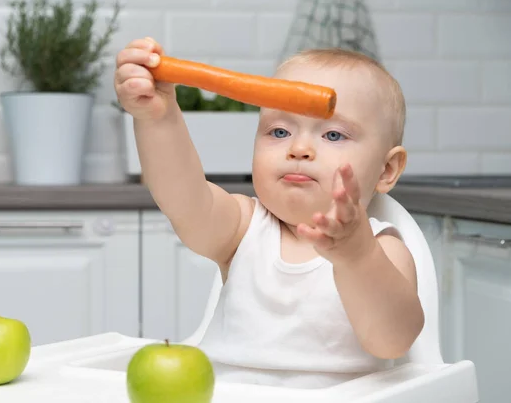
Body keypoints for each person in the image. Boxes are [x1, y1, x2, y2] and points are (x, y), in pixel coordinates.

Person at [114, 37, 425, 389]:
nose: (300, 148)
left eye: (334, 135)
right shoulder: (243, 229)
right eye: (280, 131)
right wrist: (156, 117)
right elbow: (182, 197)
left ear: (387, 170)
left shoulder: (383, 248)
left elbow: (393, 341)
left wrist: (357, 255)